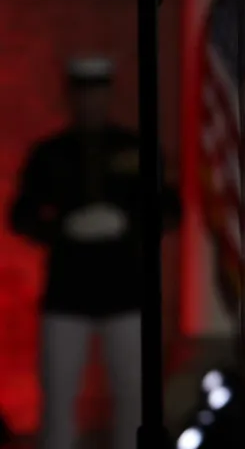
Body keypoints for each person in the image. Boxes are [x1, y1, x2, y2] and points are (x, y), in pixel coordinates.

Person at [8, 56, 181, 449]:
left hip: (126, 292)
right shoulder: (50, 154)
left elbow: (170, 210)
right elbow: (21, 216)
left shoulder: (136, 149)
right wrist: (60, 229)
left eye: (97, 93)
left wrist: (129, 225)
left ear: (108, 95)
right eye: (83, 94)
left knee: (134, 400)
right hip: (67, 294)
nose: (90, 102)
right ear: (72, 97)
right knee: (57, 402)